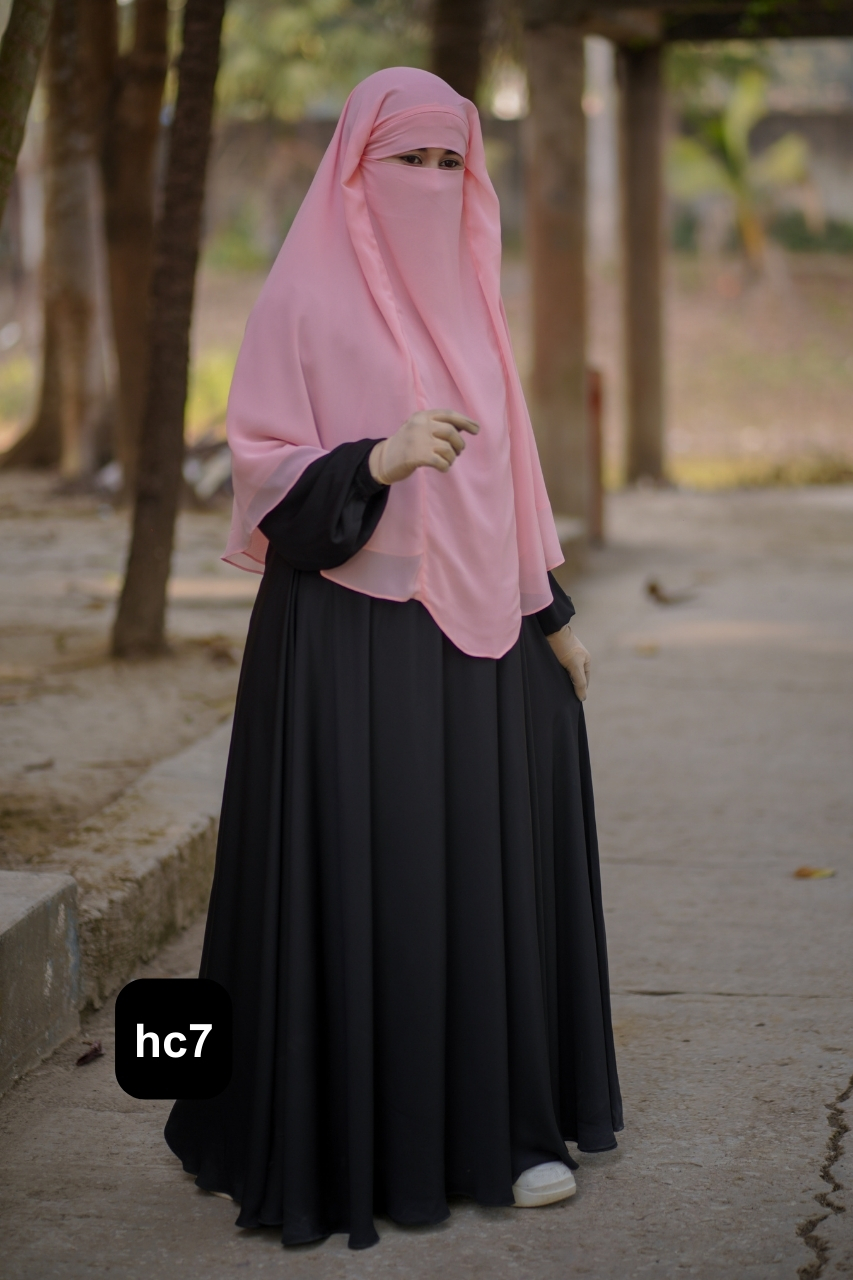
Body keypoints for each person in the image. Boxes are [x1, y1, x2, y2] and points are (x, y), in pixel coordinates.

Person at [164, 66, 622, 1251]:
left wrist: (552, 615)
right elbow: (263, 472)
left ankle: (509, 1131)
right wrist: (374, 459)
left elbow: (508, 483)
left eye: (448, 162)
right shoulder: (304, 299)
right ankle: (353, 1137)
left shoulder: (474, 303)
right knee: (385, 880)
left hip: (483, 631)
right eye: (404, 159)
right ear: (355, 169)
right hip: (348, 638)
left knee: (484, 875)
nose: (428, 182)